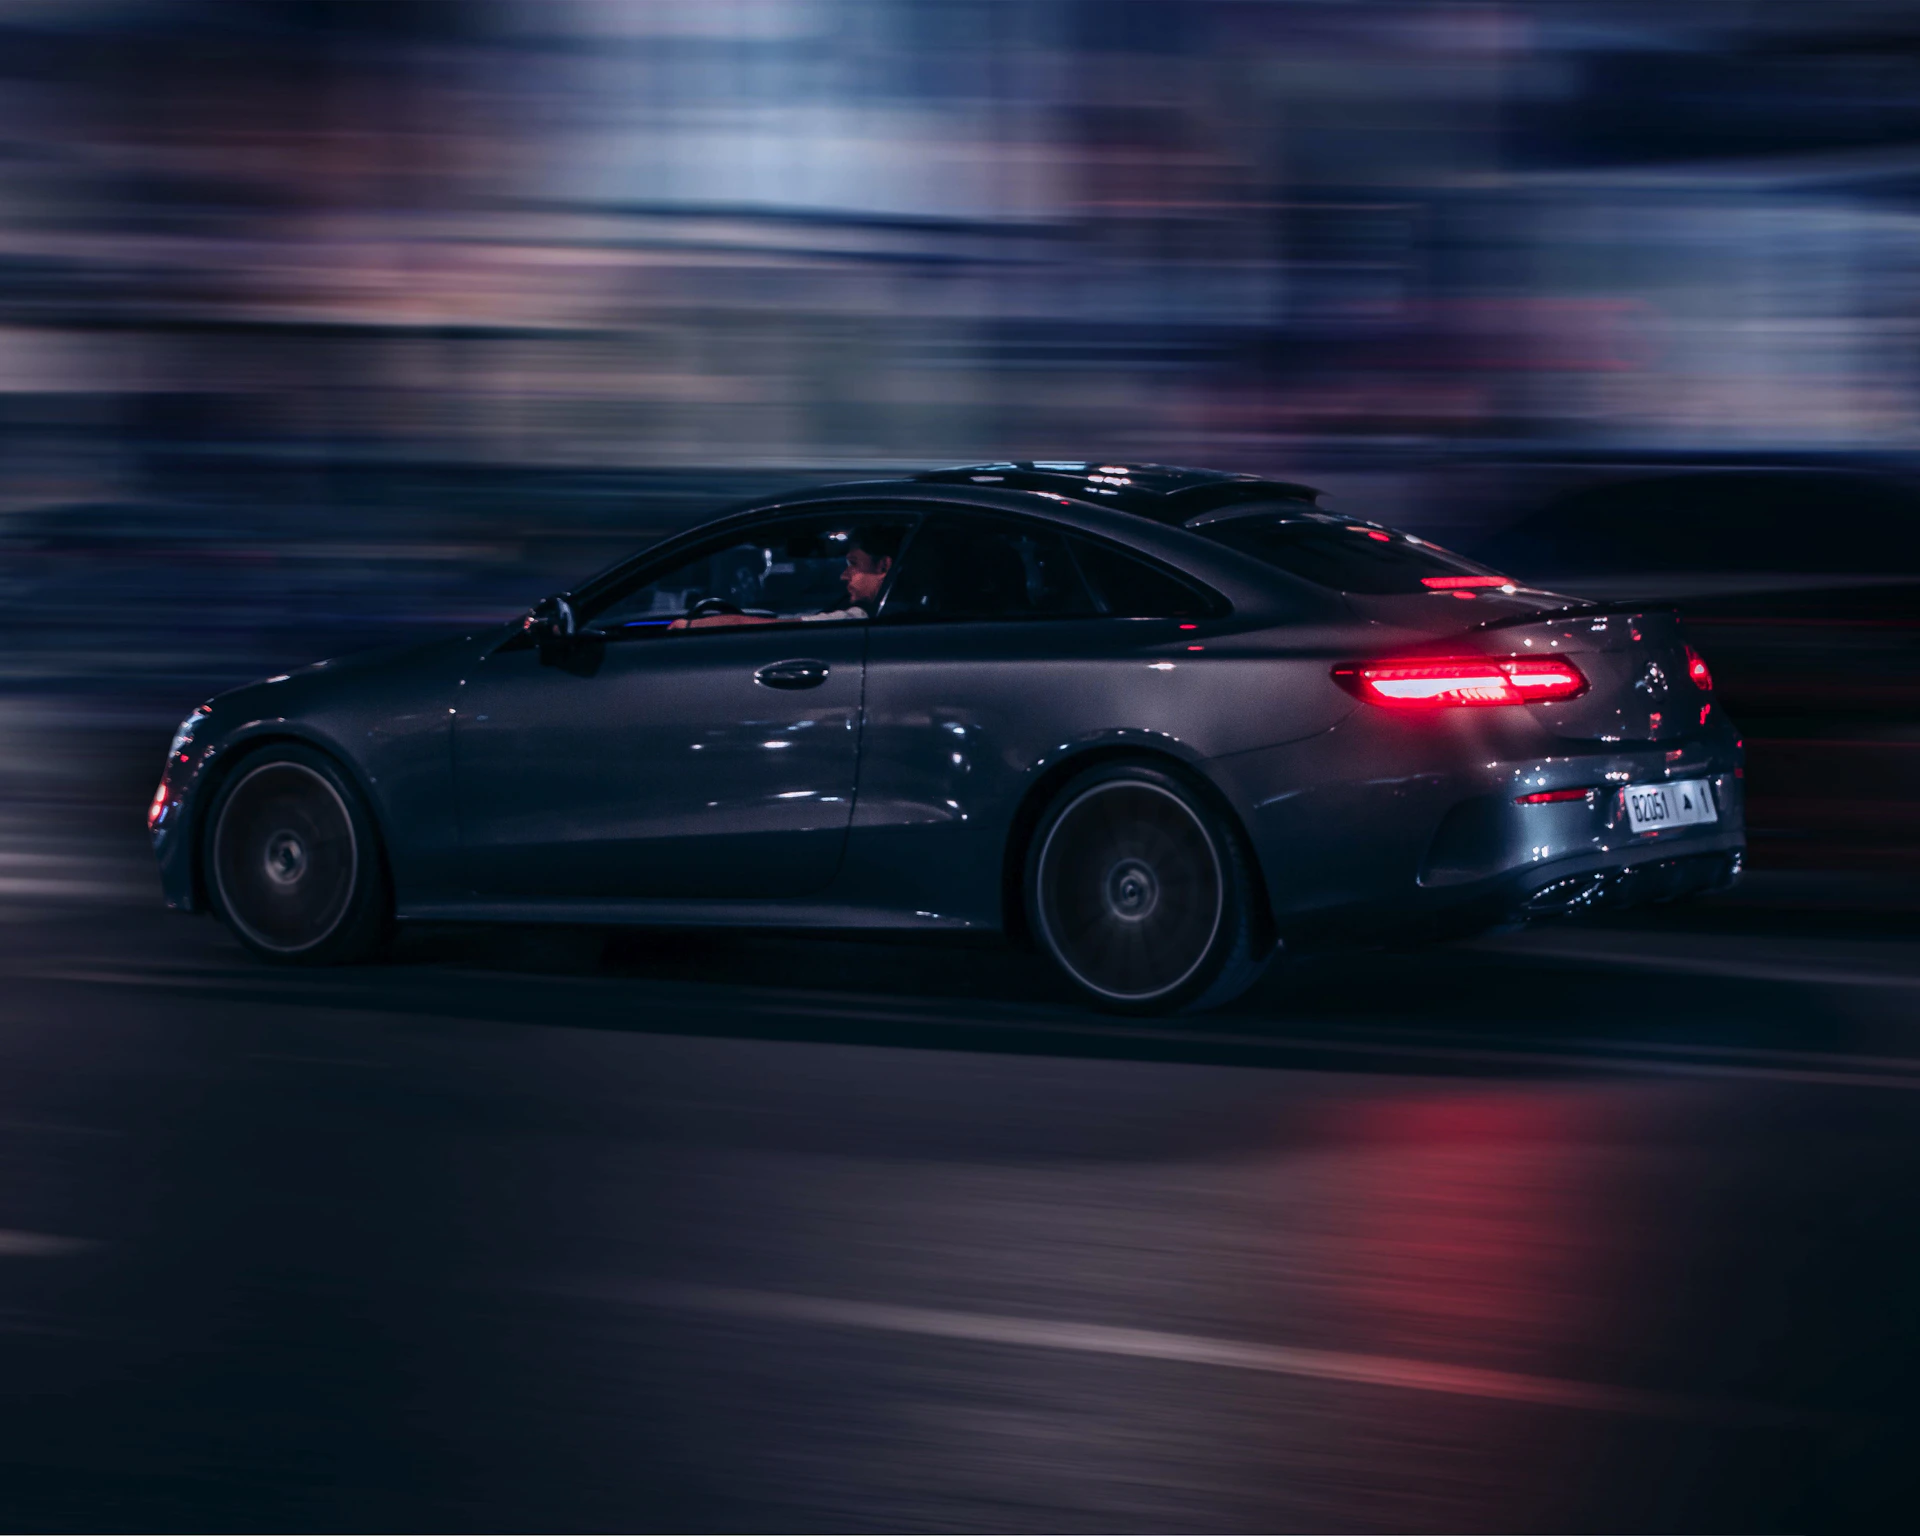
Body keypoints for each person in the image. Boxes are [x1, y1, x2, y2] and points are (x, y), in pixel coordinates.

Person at [671, 523, 903, 629]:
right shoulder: (896, 617)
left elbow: (770, 628)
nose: (844, 576)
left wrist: (688, 626)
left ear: (883, 566)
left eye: (853, 564)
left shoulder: (859, 620)